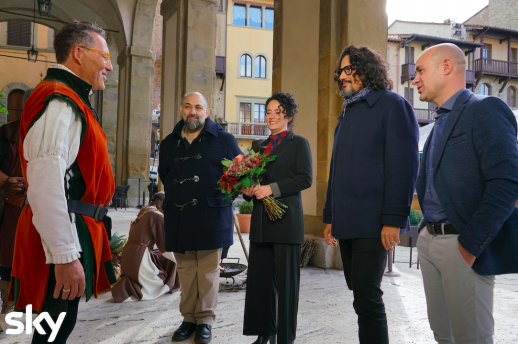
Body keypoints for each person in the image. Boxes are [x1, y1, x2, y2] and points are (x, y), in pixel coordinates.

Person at [7, 21, 116, 343]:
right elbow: (46, 184)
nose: (109, 65)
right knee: (52, 329)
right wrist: (65, 256)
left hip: (67, 228)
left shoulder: (68, 99)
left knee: (56, 326)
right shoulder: (59, 102)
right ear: (78, 53)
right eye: (104, 56)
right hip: (58, 235)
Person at [412, 43, 518, 344]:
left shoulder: (485, 109)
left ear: (446, 67)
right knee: (443, 336)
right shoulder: (438, 123)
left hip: (462, 244)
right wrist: (425, 234)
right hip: (430, 241)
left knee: (471, 339)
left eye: (421, 70)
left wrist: (471, 245)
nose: (415, 78)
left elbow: (506, 182)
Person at [322, 45, 419, 343]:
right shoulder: (347, 113)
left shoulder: (392, 105)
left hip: (374, 222)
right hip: (348, 220)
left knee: (367, 297)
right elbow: (335, 171)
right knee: (360, 295)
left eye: (348, 69)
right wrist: (330, 217)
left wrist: (393, 219)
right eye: (340, 71)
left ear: (366, 70)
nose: (342, 77)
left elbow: (404, 166)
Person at [158, 92, 242, 344]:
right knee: (185, 269)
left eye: (198, 107)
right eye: (187, 106)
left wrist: (223, 198)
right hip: (180, 216)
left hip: (211, 216)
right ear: (181, 109)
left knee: (207, 271)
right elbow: (166, 175)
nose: (192, 111)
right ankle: (188, 319)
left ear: (207, 111)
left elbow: (239, 176)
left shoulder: (225, 140)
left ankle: (205, 319)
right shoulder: (168, 143)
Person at [241, 92, 312, 344]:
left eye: (277, 112)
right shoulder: (257, 146)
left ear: (288, 116)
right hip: (261, 223)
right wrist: (247, 189)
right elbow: (252, 181)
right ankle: (264, 332)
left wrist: (273, 189)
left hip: (286, 223)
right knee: (260, 283)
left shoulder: (299, 143)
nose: (271, 116)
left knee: (287, 286)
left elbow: (305, 178)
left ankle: (285, 338)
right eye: (268, 112)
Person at [111, 192, 180, 302]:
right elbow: (165, 247)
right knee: (169, 266)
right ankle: (170, 283)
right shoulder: (157, 215)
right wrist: (181, 259)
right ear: (163, 203)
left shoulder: (144, 211)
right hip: (138, 260)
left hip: (128, 257)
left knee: (159, 256)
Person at [0, 88, 32, 315]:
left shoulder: (51, 136)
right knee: (8, 258)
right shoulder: (7, 133)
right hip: (11, 206)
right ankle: (7, 308)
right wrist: (8, 179)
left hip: (39, 210)